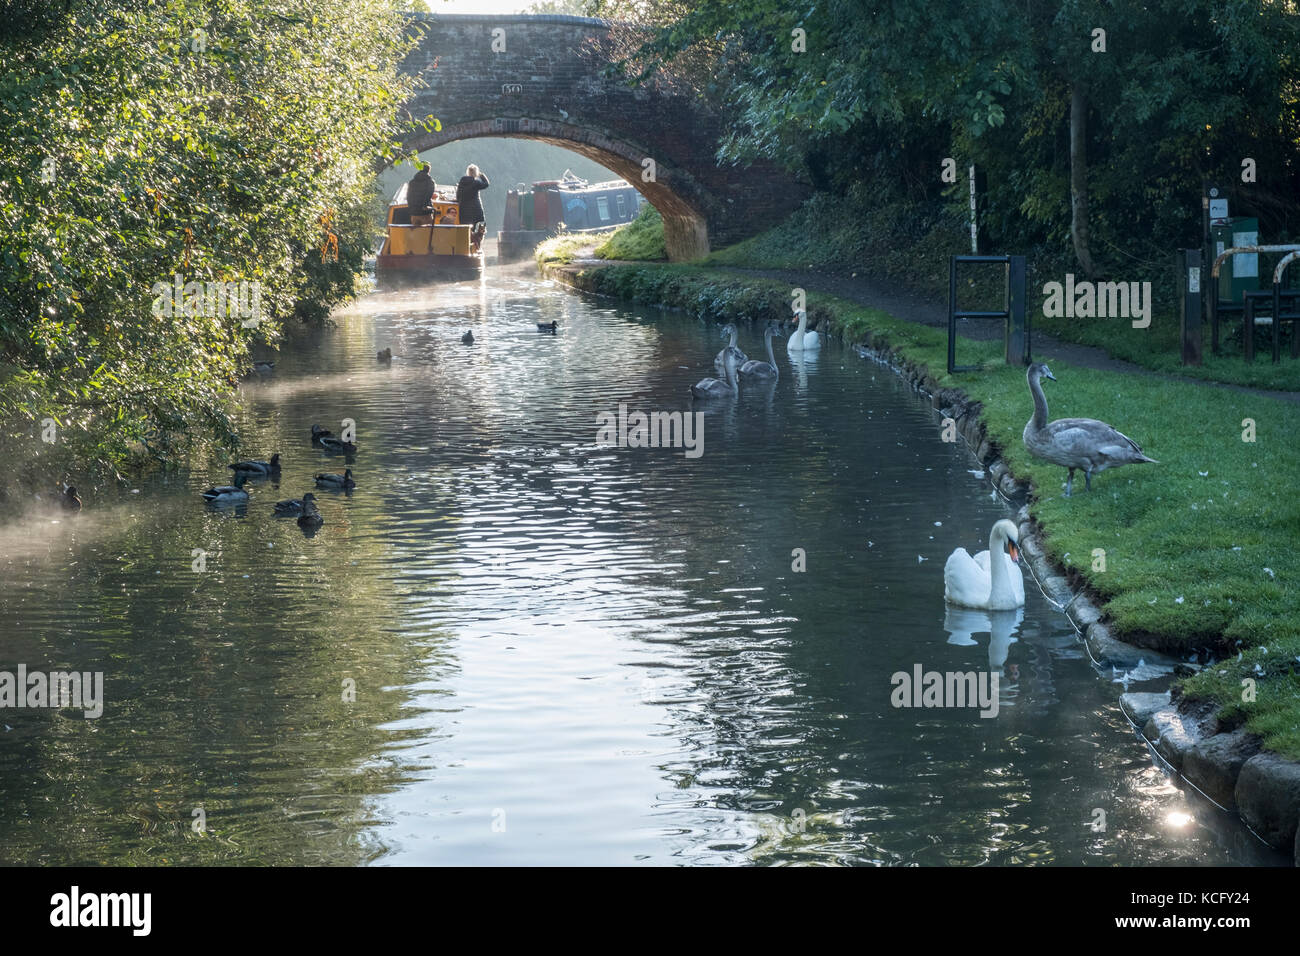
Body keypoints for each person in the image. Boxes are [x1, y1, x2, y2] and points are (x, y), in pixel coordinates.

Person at [455, 164, 490, 253]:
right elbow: (486, 184)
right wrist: (482, 176)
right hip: (475, 211)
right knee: (473, 230)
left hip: (464, 210)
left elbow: (458, 196)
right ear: (476, 173)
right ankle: (473, 250)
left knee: (466, 230)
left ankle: (464, 249)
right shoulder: (476, 182)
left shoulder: (461, 182)